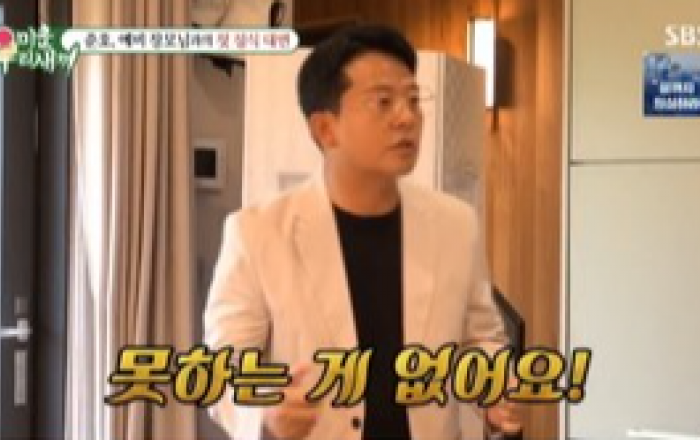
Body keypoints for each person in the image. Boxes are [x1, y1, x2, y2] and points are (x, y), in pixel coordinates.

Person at [204, 23, 522, 440]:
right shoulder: (258, 233)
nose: (407, 118)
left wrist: (493, 387)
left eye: (413, 100)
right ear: (325, 128)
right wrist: (264, 409)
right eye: (383, 102)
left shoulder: (456, 225)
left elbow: (481, 337)